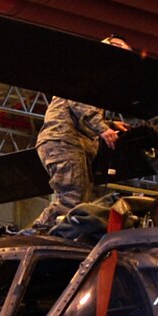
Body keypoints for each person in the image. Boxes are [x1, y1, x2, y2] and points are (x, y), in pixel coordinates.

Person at [31, 37, 131, 229]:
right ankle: (35, 233)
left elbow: (76, 110)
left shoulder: (95, 77)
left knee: (79, 201)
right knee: (71, 198)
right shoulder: (87, 71)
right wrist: (103, 129)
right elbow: (78, 102)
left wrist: (108, 124)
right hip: (64, 141)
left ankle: (48, 234)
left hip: (70, 141)